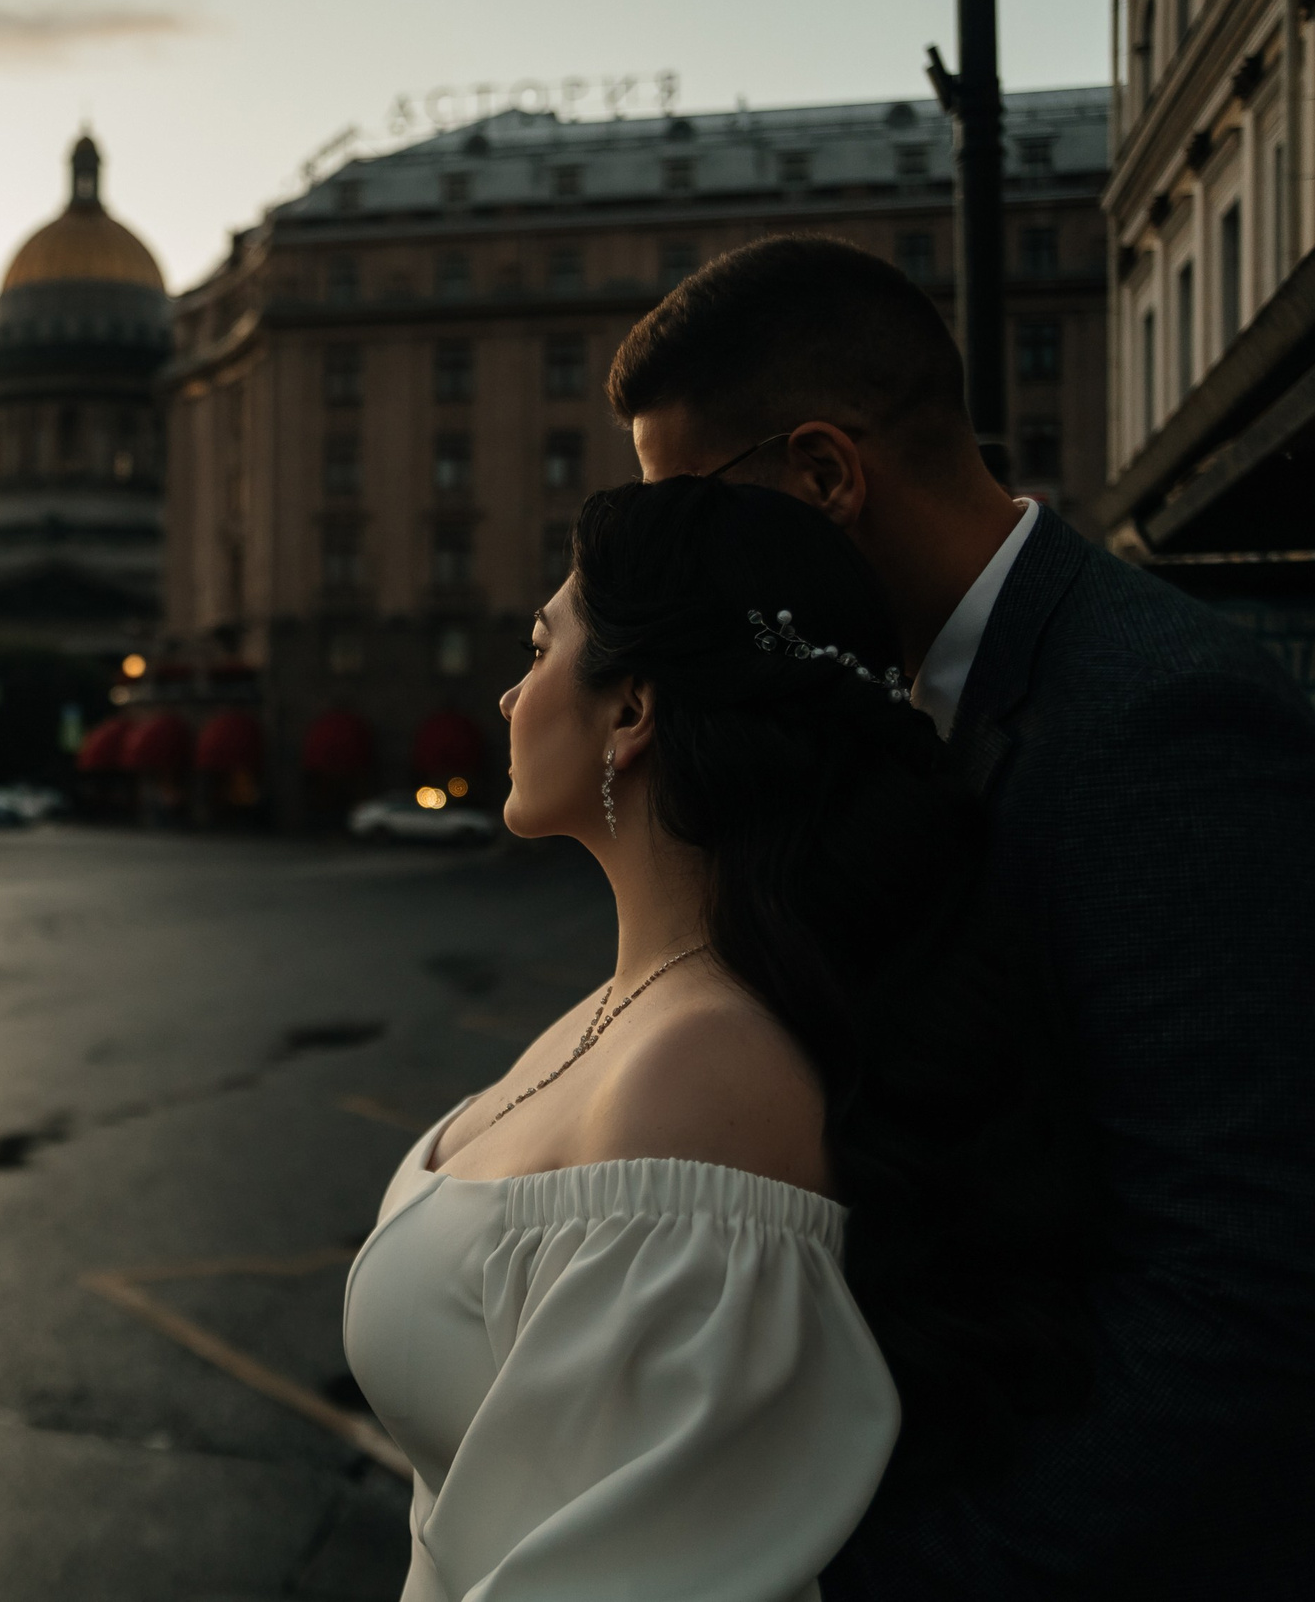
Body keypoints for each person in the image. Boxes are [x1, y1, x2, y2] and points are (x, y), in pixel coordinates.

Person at [612, 234, 1315, 1598]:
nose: (676, 566)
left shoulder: (1165, 721)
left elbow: (1238, 1288)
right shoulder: (878, 710)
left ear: (824, 475)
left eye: (692, 509)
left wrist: (907, 1580)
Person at [344, 473, 1095, 1601]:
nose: (507, 694)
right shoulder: (637, 1010)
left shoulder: (700, 1079)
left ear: (632, 711)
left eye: (539, 649)